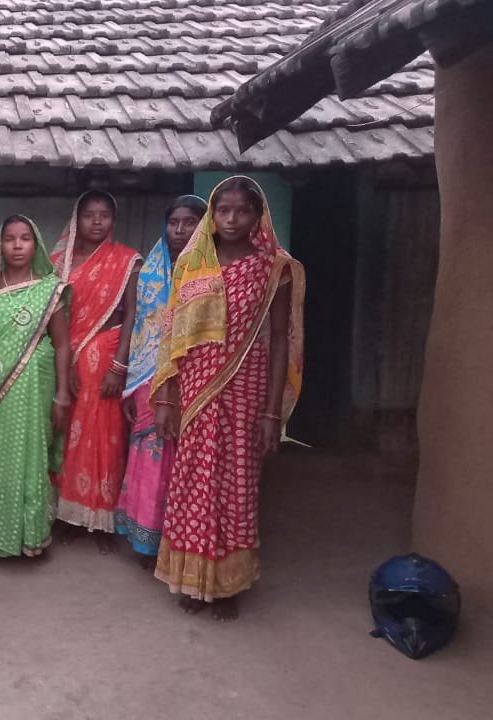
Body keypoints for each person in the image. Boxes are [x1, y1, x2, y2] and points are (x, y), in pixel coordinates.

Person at [152, 176, 304, 621]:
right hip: (195, 388)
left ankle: (228, 584)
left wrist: (272, 412)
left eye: (242, 211)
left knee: (237, 484)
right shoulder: (191, 266)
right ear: (212, 216)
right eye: (223, 211)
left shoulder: (273, 268)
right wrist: (166, 398)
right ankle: (192, 579)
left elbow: (280, 339)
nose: (232, 219)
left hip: (248, 387)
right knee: (194, 482)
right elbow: (170, 336)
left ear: (259, 216)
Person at [0, 216, 72, 559]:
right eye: (10, 239)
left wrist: (63, 394)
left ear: (36, 245)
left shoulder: (49, 290)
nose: (17, 245)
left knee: (33, 458)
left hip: (38, 388)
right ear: (0, 246)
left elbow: (63, 345)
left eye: (25, 238)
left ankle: (32, 536)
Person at [114, 196, 207, 566]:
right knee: (151, 458)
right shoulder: (148, 271)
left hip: (196, 377)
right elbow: (136, 322)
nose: (180, 230)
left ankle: (181, 538)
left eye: (189, 223)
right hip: (147, 377)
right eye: (174, 223)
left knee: (187, 461)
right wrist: (128, 376)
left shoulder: (210, 273)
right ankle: (145, 539)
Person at [50, 191, 141, 553]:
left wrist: (119, 366)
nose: (97, 221)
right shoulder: (59, 263)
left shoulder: (127, 260)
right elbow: (52, 319)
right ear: (77, 219)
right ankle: (70, 516)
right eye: (89, 214)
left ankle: (102, 521)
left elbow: (133, 314)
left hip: (106, 361)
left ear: (113, 220)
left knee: (106, 437)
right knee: (68, 439)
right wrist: (65, 363)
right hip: (66, 363)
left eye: (104, 215)